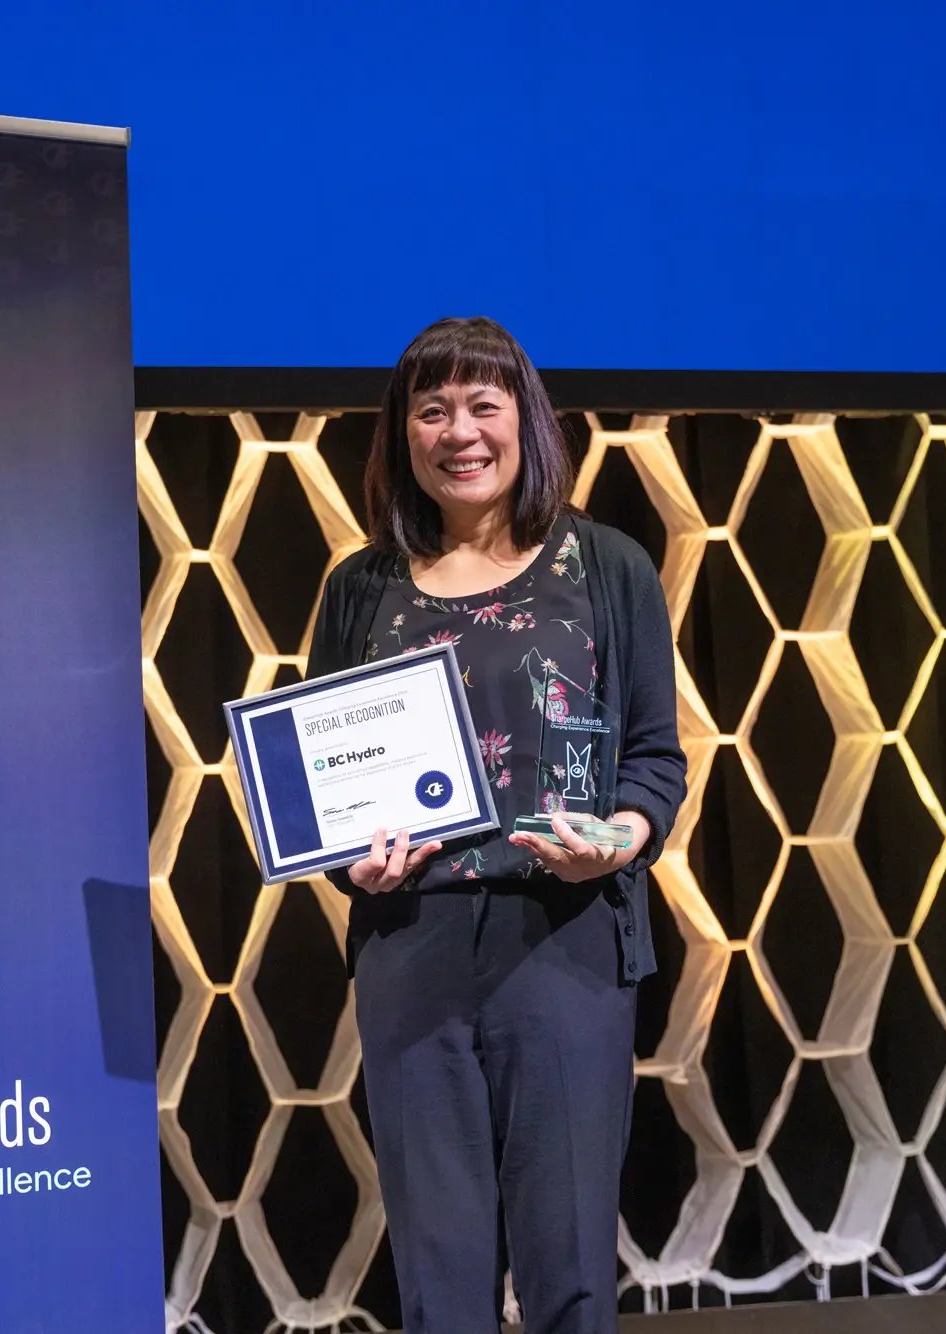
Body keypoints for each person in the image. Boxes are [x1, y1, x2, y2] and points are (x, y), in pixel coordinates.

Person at [308, 317, 686, 1334]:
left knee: (569, 1266)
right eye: (432, 409)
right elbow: (325, 783)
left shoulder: (607, 566)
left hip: (565, 939)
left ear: (527, 420)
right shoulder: (359, 589)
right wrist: (353, 863)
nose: (459, 431)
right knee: (438, 1273)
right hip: (409, 944)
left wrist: (618, 840)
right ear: (402, 432)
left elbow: (655, 760)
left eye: (483, 404)